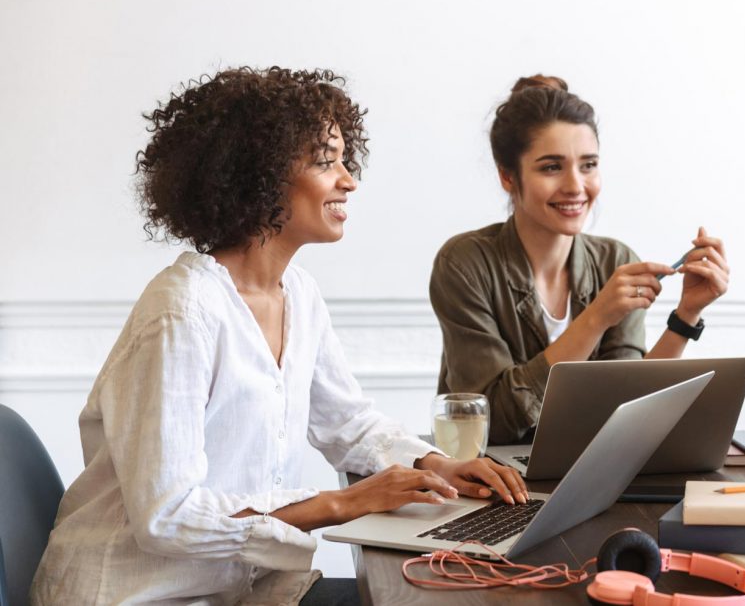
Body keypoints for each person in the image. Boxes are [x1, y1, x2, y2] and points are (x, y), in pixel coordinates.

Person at [31, 67, 526, 606]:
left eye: (344, 159)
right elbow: (166, 517)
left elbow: (348, 423)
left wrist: (436, 465)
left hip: (243, 588)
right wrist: (340, 503)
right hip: (137, 595)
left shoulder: (299, 293)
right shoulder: (181, 311)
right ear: (259, 177)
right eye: (325, 161)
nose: (348, 179)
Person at [431, 75, 730, 444]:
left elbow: (631, 403)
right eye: (551, 167)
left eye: (588, 165)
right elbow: (494, 419)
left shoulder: (614, 260)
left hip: (588, 472)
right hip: (493, 477)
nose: (576, 186)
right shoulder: (465, 264)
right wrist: (596, 318)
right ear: (508, 177)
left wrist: (686, 316)